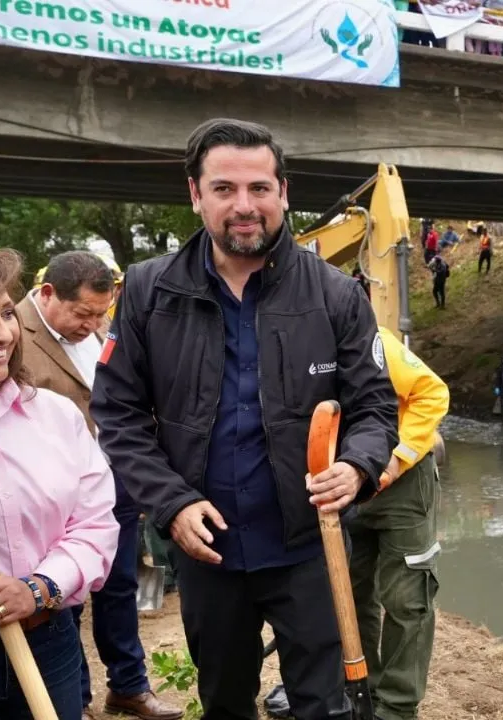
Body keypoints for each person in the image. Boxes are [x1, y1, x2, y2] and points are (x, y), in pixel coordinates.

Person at [90, 118, 401, 720]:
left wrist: (358, 466)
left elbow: (375, 407)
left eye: (259, 188)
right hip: (208, 551)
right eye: (225, 189)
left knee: (323, 706)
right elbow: (118, 413)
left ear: (284, 192)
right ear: (195, 194)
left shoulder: (337, 294)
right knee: (226, 701)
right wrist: (170, 503)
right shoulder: (151, 293)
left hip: (311, 547)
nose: (244, 206)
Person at [0, 245, 120, 719]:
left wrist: (39, 587)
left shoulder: (56, 417)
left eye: (5, 312)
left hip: (50, 643)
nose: (3, 332)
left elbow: (94, 526)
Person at [17, 251, 183, 720]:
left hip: (114, 482)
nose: (91, 325)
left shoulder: (102, 329)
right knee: (63, 597)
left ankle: (128, 686)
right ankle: (78, 697)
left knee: (118, 585)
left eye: (100, 313)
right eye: (82, 313)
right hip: (52, 493)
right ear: (47, 294)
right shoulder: (12, 333)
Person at [268, 328, 449, 720]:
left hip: (400, 477)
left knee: (406, 597)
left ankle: (396, 707)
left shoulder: (367, 340)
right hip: (342, 482)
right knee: (350, 591)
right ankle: (360, 690)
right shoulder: (274, 346)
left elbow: (433, 393)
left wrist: (396, 460)